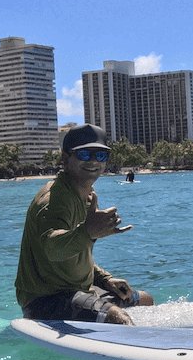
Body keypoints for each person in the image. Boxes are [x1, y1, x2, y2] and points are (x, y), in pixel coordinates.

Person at [15, 124, 154, 324]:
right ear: (66, 159)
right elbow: (53, 251)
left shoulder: (86, 196)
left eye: (101, 156)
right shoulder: (54, 199)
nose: (94, 161)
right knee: (118, 319)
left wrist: (105, 279)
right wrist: (88, 232)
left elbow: (76, 255)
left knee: (144, 300)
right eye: (85, 154)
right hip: (46, 300)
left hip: (79, 291)